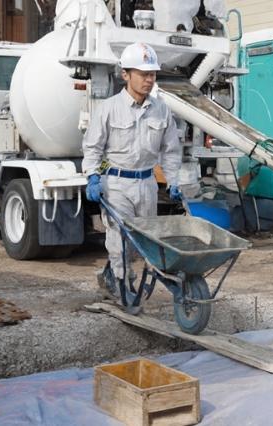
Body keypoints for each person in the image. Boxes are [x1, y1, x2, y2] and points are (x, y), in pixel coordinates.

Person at [82, 42, 182, 298]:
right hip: (116, 184)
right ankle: (122, 285)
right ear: (125, 74)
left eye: (152, 74)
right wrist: (92, 176)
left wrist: (173, 181)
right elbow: (93, 147)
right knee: (119, 238)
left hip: (147, 184)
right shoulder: (108, 109)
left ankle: (111, 272)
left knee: (143, 241)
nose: (149, 80)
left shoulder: (161, 110)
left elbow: (170, 150)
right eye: (143, 74)